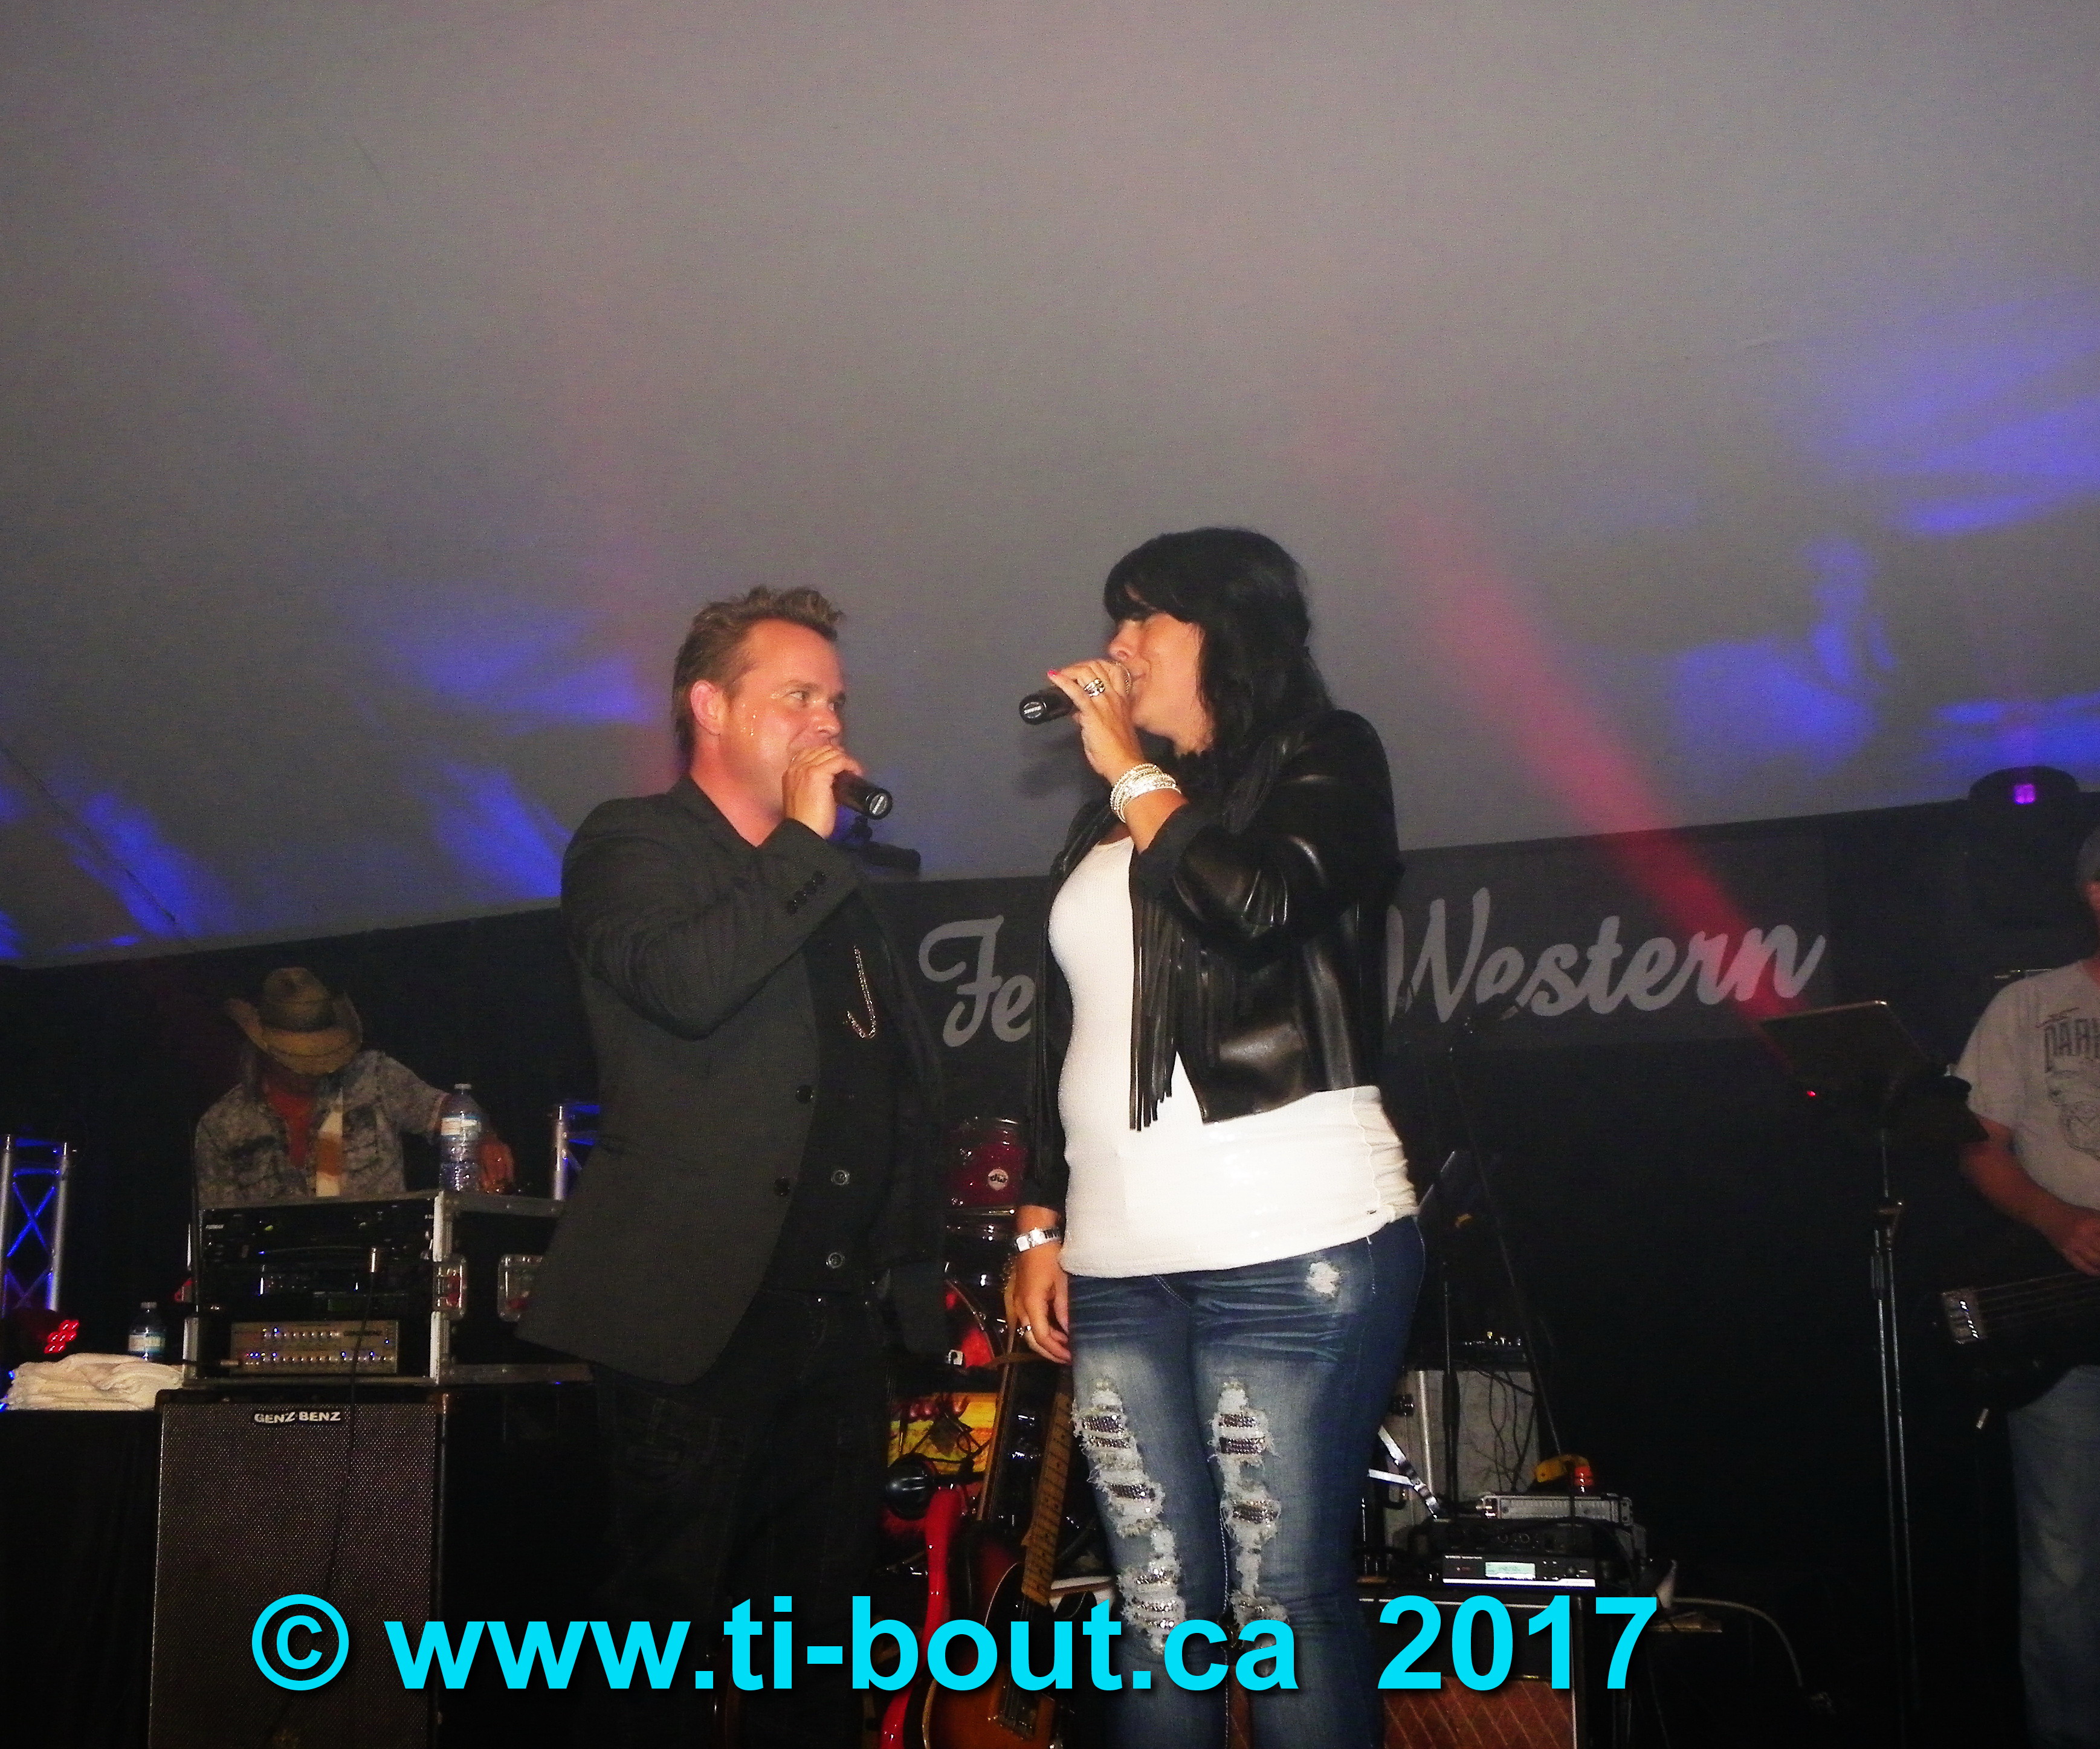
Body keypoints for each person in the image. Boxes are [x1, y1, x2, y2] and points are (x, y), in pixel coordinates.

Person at [1005, 527, 1422, 1749]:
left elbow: (1258, 904)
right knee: (1153, 1605)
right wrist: (1039, 1219)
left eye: (1146, 617)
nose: (1117, 644)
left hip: (1293, 1240)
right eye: (1115, 617)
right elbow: (1060, 1028)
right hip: (1118, 1264)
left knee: (1280, 1601)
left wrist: (1137, 777)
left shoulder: (1325, 757)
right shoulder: (1107, 818)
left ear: (1226, 631)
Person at [516, 586, 942, 1749]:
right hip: (694, 1312)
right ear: (709, 706)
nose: (827, 721)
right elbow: (687, 988)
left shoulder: (833, 887)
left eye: (836, 700)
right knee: (660, 1627)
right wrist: (804, 843)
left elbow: (894, 1080)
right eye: (797, 695)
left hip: (833, 1318)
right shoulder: (634, 843)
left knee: (813, 1641)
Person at [1957, 820, 2100, 1749]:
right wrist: (2056, 1220)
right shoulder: (2032, 1006)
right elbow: (1975, 1144)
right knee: (2067, 1568)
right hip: (2074, 1314)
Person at [192, 965, 512, 1211]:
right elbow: (218, 1229)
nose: (311, 1067)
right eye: (296, 1057)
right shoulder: (221, 1127)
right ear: (262, 1050)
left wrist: (486, 1138)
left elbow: (449, 1110)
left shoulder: (375, 1077)